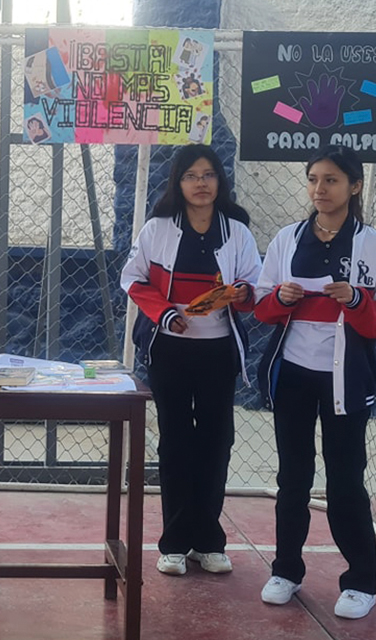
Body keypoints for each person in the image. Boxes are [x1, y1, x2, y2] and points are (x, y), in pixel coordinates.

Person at [254, 145, 376, 619]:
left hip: (346, 379)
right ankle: (285, 570)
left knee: (345, 482)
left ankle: (360, 582)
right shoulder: (287, 238)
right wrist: (281, 297)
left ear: (354, 186)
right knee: (292, 478)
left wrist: (357, 301)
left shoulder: (374, 246)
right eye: (314, 179)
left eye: (332, 180)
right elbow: (261, 307)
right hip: (293, 375)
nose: (320, 189)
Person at [120, 144, 262, 577]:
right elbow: (133, 279)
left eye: (209, 174)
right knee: (176, 442)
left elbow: (256, 287)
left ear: (220, 180)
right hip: (170, 351)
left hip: (218, 352)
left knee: (217, 442)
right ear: (178, 183)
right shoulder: (157, 228)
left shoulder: (237, 231)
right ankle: (175, 544)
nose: (201, 183)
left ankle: (209, 542)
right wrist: (164, 314)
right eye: (191, 176)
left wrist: (243, 293)